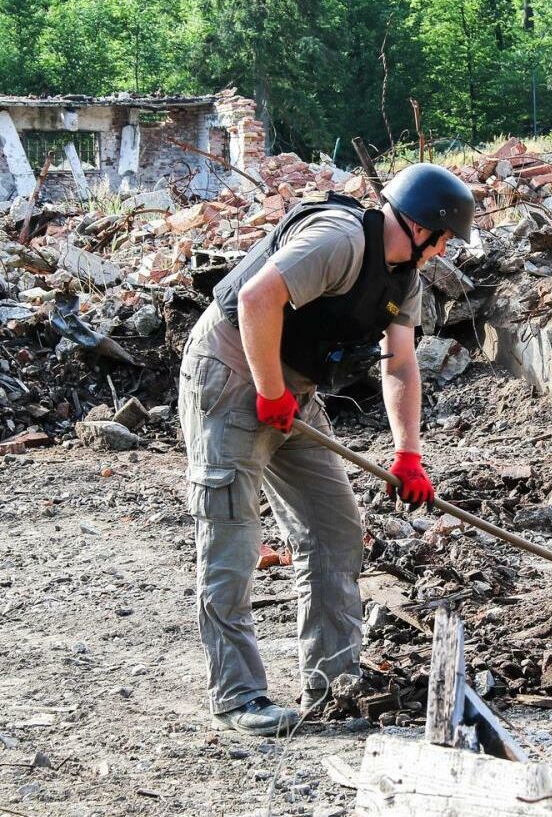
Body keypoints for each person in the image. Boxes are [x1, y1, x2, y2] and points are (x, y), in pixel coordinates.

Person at [180, 163, 475, 736]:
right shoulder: (338, 240)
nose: (444, 252)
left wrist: (408, 454)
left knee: (334, 529)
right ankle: (239, 696)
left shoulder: (403, 280)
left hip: (292, 389)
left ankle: (333, 682)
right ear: (421, 227)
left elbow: (402, 364)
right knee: (232, 537)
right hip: (232, 369)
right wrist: (267, 392)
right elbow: (256, 299)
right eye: (443, 240)